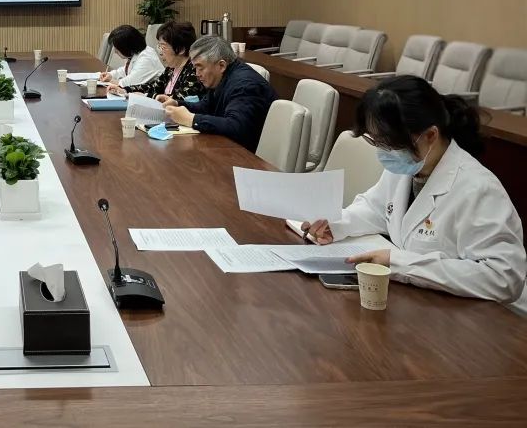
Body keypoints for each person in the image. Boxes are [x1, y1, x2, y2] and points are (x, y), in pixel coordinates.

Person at [302, 76, 526, 307]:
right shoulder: (407, 166)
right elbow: (376, 209)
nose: (384, 152)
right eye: (377, 141)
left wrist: (400, 263)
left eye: (390, 143)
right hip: (420, 303)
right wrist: (336, 224)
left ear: (430, 135)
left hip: (476, 315)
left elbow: (504, 278)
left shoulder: (478, 189)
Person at [158, 35, 276, 151]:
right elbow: (205, 106)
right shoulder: (221, 76)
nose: (197, 74)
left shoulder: (245, 85)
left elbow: (236, 127)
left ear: (221, 65)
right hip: (230, 148)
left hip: (250, 155)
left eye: (200, 67)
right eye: (195, 68)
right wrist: (177, 104)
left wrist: (191, 119)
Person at [108, 21, 205, 102]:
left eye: (163, 47)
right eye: (159, 46)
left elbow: (179, 100)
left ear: (181, 49)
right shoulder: (171, 69)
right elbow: (153, 87)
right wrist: (125, 90)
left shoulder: (194, 71)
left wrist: (146, 96)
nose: (160, 52)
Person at [99, 24, 162, 89]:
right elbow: (126, 70)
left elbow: (128, 83)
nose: (115, 52)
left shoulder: (146, 58)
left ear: (126, 47)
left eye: (117, 49)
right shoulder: (135, 53)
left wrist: (110, 80)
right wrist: (111, 75)